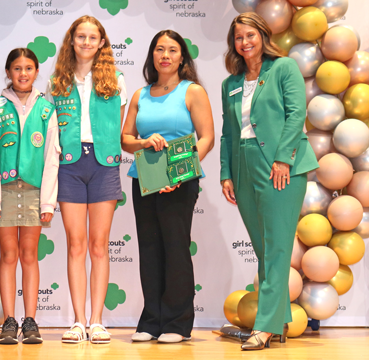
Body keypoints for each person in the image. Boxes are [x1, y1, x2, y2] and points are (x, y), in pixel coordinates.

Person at [219, 13, 319, 351]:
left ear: (263, 35)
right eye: (238, 38)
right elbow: (228, 132)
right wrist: (226, 173)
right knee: (264, 249)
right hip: (243, 164)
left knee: (276, 248)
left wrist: (283, 158)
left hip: (281, 164)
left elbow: (296, 113)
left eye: (250, 35)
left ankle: (264, 326)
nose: (244, 42)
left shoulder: (284, 68)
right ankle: (279, 323)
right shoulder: (230, 83)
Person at [121, 29, 215, 344]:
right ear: (152, 56)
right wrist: (144, 142)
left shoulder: (192, 91)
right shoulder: (140, 94)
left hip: (180, 182)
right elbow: (125, 139)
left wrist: (179, 174)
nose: (165, 55)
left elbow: (206, 138)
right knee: (149, 248)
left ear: (182, 57)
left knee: (175, 248)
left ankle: (177, 322)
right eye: (159, 49)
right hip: (144, 180)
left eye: (172, 50)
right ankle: (152, 320)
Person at [45, 15, 127, 344]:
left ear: (103, 42)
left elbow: (118, 128)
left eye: (93, 37)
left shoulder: (117, 79)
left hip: (104, 164)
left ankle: (97, 321)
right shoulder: (57, 82)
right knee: (75, 245)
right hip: (69, 166)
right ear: (72, 40)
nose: (87, 42)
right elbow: (51, 129)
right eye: (81, 36)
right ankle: (77, 321)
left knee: (99, 245)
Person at [0, 48, 60, 345]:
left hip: (34, 192)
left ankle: (30, 321)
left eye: (28, 68)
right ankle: (9, 321)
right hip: (3, 190)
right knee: (8, 255)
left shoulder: (46, 110)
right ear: (8, 71)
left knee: (29, 255)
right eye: (17, 68)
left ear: (37, 72)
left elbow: (52, 158)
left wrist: (48, 201)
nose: (23, 74)